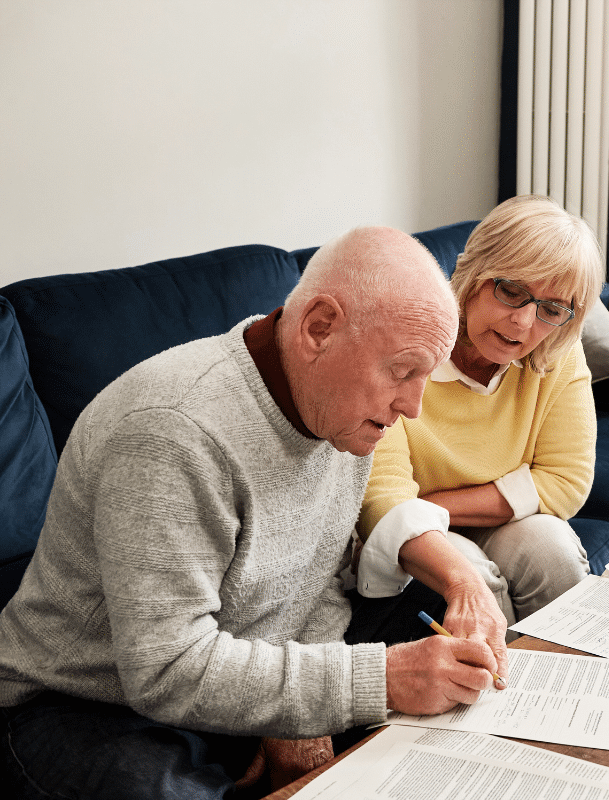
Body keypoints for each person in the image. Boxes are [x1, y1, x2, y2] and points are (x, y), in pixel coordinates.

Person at [0, 226, 510, 799]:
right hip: (92, 697)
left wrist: (302, 719)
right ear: (319, 328)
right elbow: (167, 669)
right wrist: (380, 680)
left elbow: (315, 584)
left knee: (433, 621)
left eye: (426, 376)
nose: (412, 407)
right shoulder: (173, 432)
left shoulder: (340, 412)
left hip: (242, 654)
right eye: (402, 371)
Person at [354, 195, 604, 626]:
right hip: (410, 533)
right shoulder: (402, 344)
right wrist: (431, 514)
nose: (524, 324)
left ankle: (575, 687)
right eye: (511, 292)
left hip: (462, 515)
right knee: (473, 579)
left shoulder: (556, 353)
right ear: (472, 274)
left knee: (553, 549)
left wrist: (433, 504)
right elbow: (384, 499)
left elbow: (566, 482)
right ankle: (502, 690)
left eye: (551, 309)